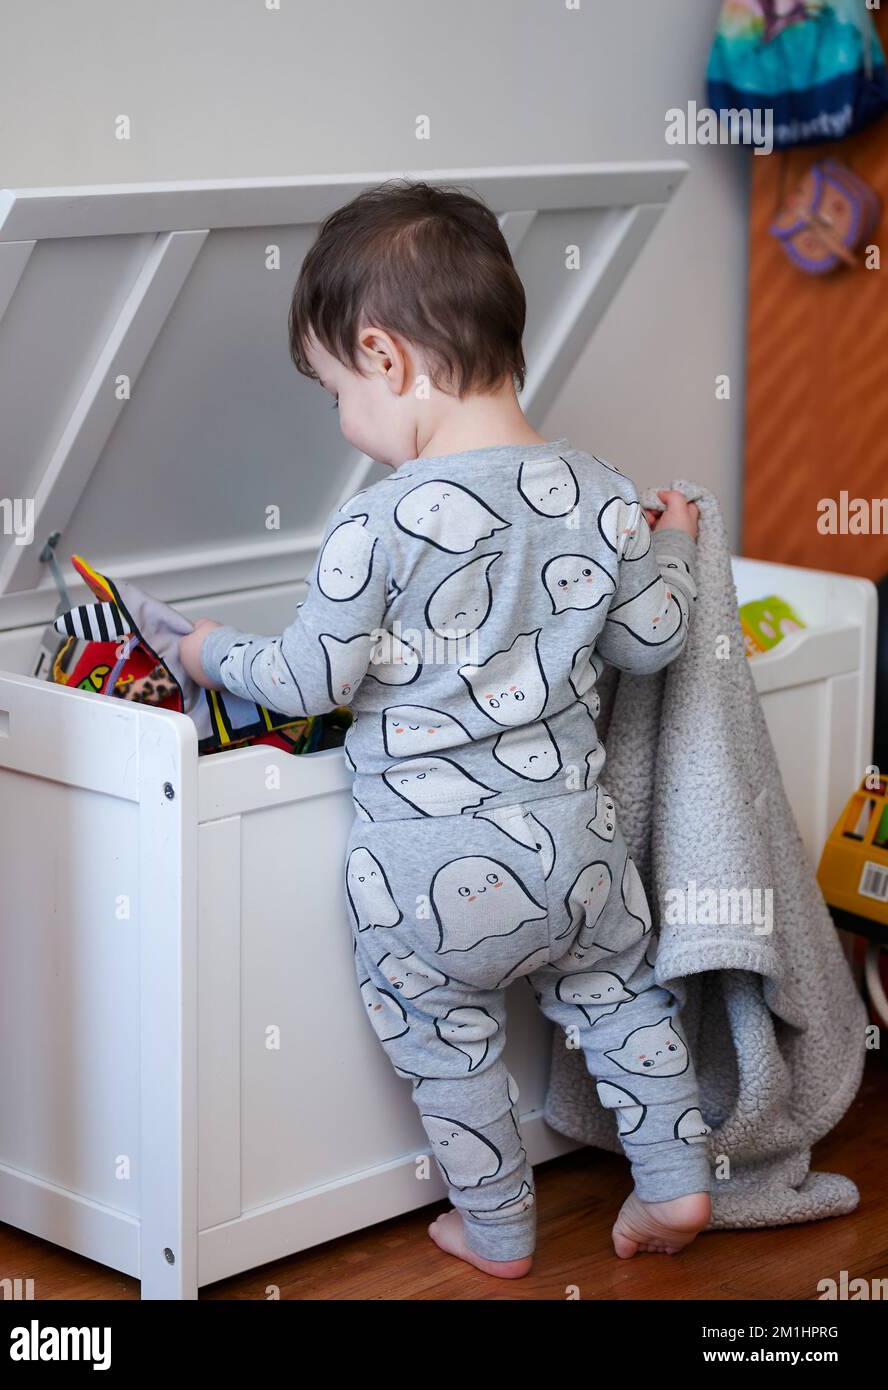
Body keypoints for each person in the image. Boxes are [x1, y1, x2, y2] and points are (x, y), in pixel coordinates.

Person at [180, 179, 711, 1279]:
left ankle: (497, 1229)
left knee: (447, 1047)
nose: (342, 418)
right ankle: (677, 1185)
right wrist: (670, 542)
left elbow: (307, 680)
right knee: (623, 1008)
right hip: (579, 852)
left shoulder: (373, 521)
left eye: (332, 389)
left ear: (384, 358)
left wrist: (206, 652)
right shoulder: (600, 490)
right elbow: (652, 643)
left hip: (425, 873)